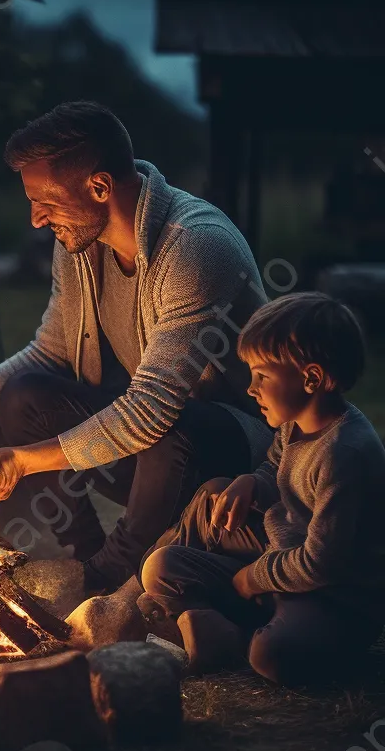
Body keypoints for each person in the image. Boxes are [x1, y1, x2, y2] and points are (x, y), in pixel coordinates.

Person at [0, 101, 271, 599]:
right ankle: (84, 555)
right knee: (23, 395)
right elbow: (50, 351)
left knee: (173, 423)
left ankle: (109, 575)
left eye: (45, 202)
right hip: (150, 451)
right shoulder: (80, 241)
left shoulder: (195, 247)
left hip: (232, 454)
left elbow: (152, 410)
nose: (36, 219)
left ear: (99, 187)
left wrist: (26, 461)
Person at [138, 293, 385, 686]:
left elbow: (323, 564)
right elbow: (276, 467)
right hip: (281, 554)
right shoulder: (293, 423)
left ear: (312, 378)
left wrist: (253, 577)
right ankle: (206, 614)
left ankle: (230, 637)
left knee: (271, 655)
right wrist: (252, 482)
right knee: (169, 556)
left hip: (336, 596)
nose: (251, 389)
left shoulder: (346, 454)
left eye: (262, 376)